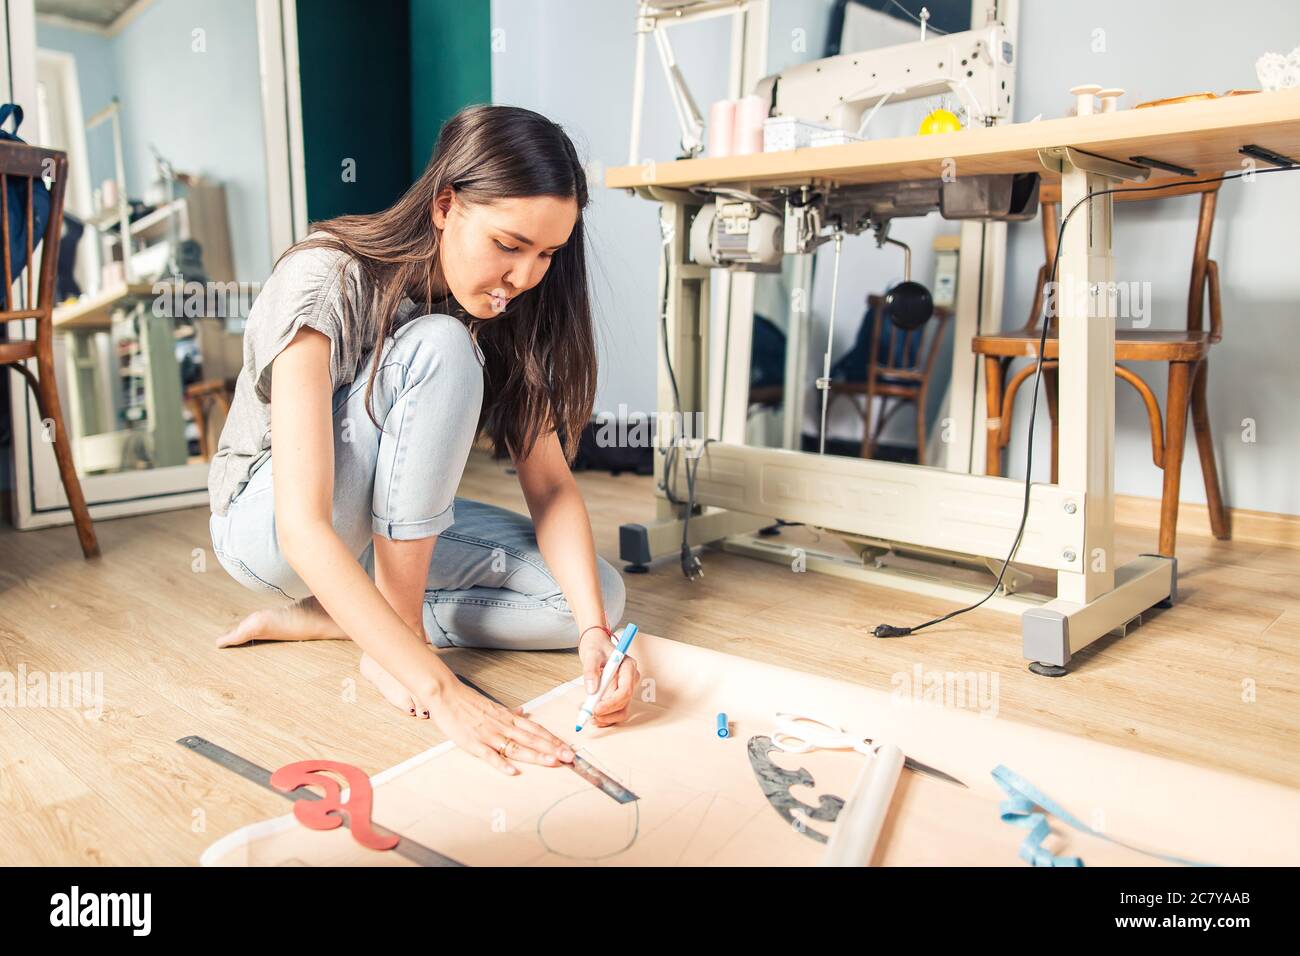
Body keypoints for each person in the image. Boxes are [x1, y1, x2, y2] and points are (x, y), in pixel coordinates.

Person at [207, 105, 637, 776]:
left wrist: (597, 641)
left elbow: (550, 488)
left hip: (366, 529)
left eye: (547, 254)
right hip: (270, 528)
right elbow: (302, 526)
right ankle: (393, 635)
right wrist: (439, 689)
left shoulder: (507, 307)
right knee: (441, 345)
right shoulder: (325, 280)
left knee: (592, 600)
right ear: (444, 206)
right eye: (510, 245)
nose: (524, 278)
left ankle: (339, 614)